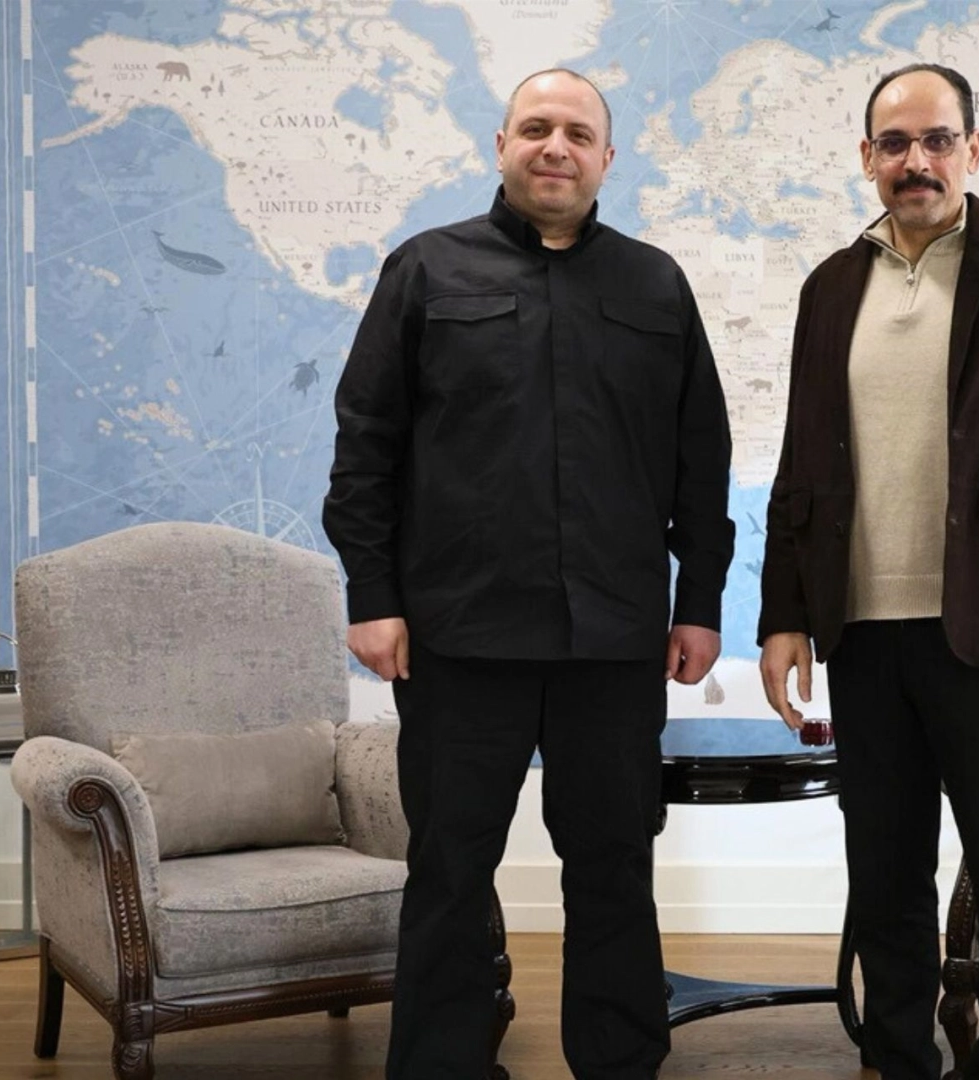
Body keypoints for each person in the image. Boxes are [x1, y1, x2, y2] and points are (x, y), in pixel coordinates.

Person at [324, 68, 734, 1080]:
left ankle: (620, 1061)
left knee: (613, 867)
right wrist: (372, 596)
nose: (557, 146)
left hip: (615, 641)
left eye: (578, 133)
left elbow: (702, 461)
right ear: (501, 143)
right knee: (451, 869)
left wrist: (700, 605)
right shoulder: (425, 269)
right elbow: (366, 444)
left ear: (607, 158)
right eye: (537, 127)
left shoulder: (656, 285)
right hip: (459, 637)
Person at [757, 63, 979, 1080]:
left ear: (973, 148)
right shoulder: (832, 286)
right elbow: (800, 462)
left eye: (937, 139)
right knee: (884, 876)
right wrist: (783, 614)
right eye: (894, 143)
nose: (915, 160)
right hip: (862, 634)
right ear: (866, 157)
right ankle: (899, 1057)